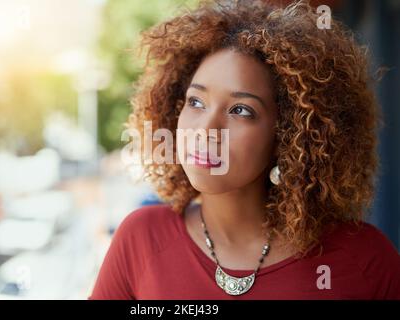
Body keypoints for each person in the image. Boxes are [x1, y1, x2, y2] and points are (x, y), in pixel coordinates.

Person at [89, 0, 400, 299]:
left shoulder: (363, 260)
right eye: (196, 102)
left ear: (291, 133)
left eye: (240, 110)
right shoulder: (141, 240)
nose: (206, 130)